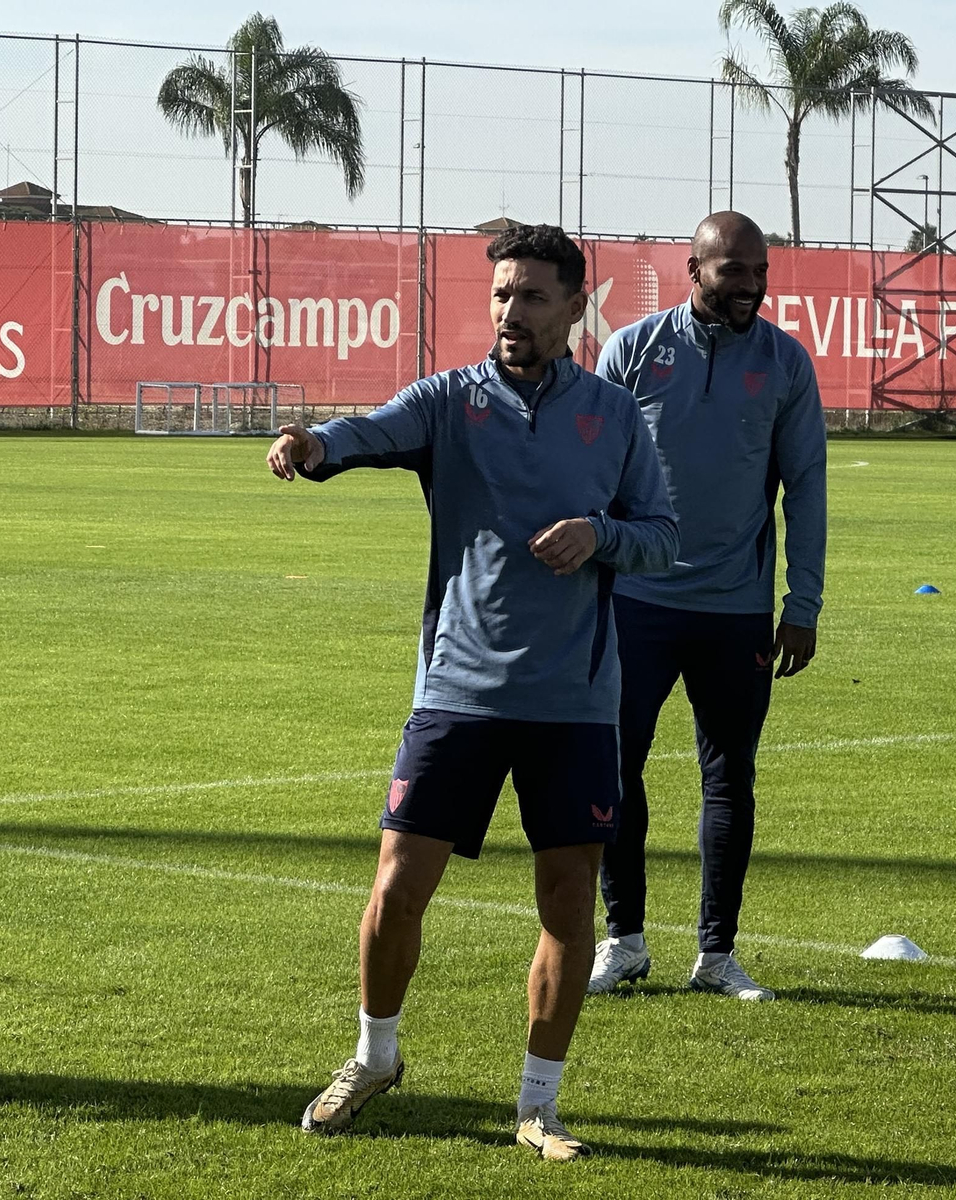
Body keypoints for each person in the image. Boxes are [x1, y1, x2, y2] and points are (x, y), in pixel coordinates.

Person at [269, 224, 678, 1160]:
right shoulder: (451, 402)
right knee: (394, 890)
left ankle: (539, 1105)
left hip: (572, 703)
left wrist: (598, 535)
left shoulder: (614, 418)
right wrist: (314, 444)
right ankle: (374, 1058)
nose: (511, 313)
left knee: (569, 905)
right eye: (501, 295)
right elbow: (367, 432)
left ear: (577, 307)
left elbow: (661, 534)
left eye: (533, 297)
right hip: (456, 690)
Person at [587, 211, 826, 1003]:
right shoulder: (635, 350)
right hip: (634, 599)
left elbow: (807, 488)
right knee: (614, 769)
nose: (751, 286)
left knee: (730, 778)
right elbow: (592, 467)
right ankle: (623, 940)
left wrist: (803, 601)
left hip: (735, 609)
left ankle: (717, 954)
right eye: (734, 272)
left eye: (759, 271)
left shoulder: (785, 362)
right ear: (695, 270)